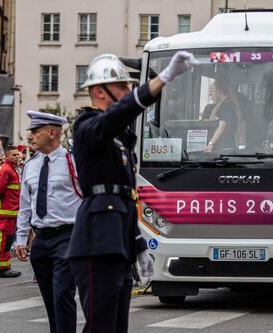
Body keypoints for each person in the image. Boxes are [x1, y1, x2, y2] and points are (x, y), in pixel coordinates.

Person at [66, 51, 198, 333]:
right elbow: (117, 114)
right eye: (122, 87)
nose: (128, 92)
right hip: (96, 242)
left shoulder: (118, 137)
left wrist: (138, 247)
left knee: (117, 327)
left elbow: (127, 196)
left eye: (130, 87)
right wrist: (161, 80)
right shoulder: (88, 127)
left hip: (117, 242)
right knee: (100, 326)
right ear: (100, 91)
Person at [15, 111, 82, 333]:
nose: (30, 136)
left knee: (63, 293)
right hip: (41, 240)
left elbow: (88, 198)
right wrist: (21, 238)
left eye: (35, 131)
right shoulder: (31, 165)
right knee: (50, 299)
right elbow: (25, 205)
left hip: (68, 236)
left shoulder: (73, 162)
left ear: (52, 133)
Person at [0, 145, 21, 277]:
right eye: (14, 155)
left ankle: (6, 266)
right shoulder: (6, 170)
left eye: (18, 154)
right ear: (7, 156)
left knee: (8, 240)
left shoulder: (12, 169)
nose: (17, 157)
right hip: (5, 211)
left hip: (11, 211)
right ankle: (2, 269)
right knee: (3, 240)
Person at [202, 79, 238, 152]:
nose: (210, 95)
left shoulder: (228, 105)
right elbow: (211, 119)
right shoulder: (223, 104)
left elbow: (222, 126)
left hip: (225, 147)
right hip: (220, 147)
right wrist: (220, 102)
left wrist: (211, 143)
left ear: (219, 91)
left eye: (212, 91)